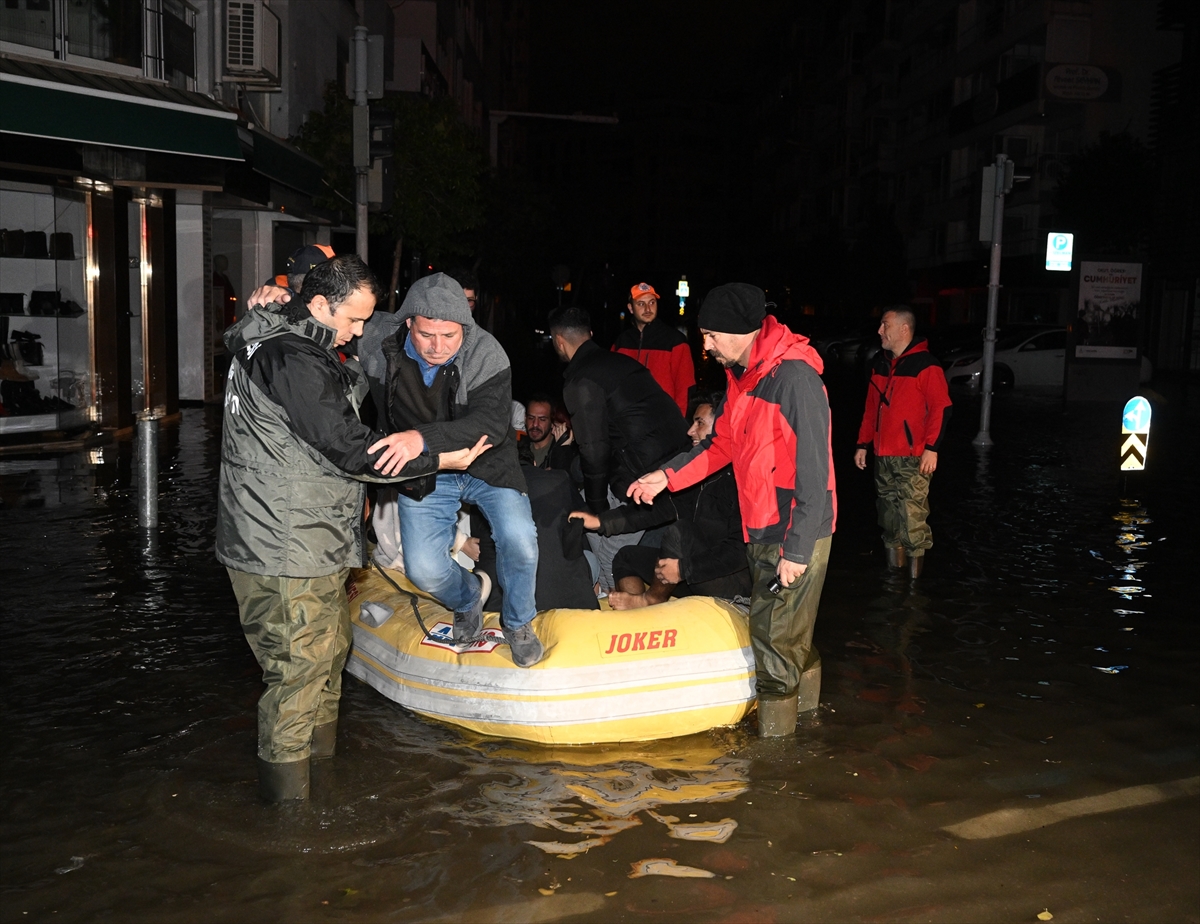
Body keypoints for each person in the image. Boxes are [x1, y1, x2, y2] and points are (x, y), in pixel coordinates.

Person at [216, 255, 489, 802]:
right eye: (355, 320)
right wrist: (442, 458)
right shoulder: (291, 357)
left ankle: (322, 780)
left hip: (305, 535)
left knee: (329, 653)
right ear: (318, 304)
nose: (360, 332)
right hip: (283, 541)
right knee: (299, 671)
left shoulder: (288, 336)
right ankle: (289, 820)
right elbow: (348, 449)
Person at [627, 283, 836, 737]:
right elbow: (722, 444)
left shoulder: (795, 379)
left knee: (774, 642)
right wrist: (667, 477)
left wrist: (797, 551)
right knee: (787, 631)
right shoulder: (743, 376)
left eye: (710, 335)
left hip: (793, 531)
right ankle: (810, 725)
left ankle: (775, 762)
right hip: (758, 526)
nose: (704, 346)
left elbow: (815, 475)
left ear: (741, 332)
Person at [378, 273, 545, 667]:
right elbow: (331, 314)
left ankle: (519, 622)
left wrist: (419, 437)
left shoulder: (487, 351)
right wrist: (285, 300)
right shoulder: (379, 346)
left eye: (450, 336)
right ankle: (469, 596)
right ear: (408, 324)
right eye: (427, 335)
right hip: (428, 469)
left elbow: (489, 422)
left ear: (465, 327)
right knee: (423, 570)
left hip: (487, 461)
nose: (438, 347)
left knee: (520, 539)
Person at [550, 306, 692, 590]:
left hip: (643, 480)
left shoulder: (582, 380)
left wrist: (599, 510)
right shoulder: (622, 363)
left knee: (611, 554)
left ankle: (614, 613)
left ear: (559, 341)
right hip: (678, 468)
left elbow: (594, 450)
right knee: (587, 519)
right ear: (589, 335)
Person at [592, 395, 750, 609]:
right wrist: (600, 522)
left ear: (723, 428)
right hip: (690, 574)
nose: (690, 431)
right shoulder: (697, 476)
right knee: (625, 556)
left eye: (699, 423)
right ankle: (639, 621)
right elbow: (654, 512)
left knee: (681, 531)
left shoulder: (741, 478)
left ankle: (651, 600)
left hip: (728, 582)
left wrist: (684, 569)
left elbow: (739, 552)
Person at [853, 306, 951, 578]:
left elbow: (941, 408)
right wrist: (862, 444)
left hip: (913, 457)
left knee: (913, 518)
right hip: (883, 455)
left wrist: (931, 449)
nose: (879, 330)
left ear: (904, 329)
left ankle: (913, 587)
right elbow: (871, 408)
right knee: (887, 517)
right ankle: (895, 579)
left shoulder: (927, 365)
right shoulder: (881, 364)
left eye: (885, 325)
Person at [612, 282, 695, 415]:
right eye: (641, 304)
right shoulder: (621, 342)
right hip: (628, 422)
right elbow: (612, 384)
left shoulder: (675, 341)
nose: (648, 309)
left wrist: (679, 426)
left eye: (652, 302)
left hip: (663, 422)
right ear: (631, 308)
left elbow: (685, 388)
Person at [519, 393, 578, 473]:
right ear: (525, 418)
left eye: (542, 419)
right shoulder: (516, 449)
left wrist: (562, 451)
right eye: (531, 418)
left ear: (552, 422)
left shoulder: (566, 452)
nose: (535, 424)